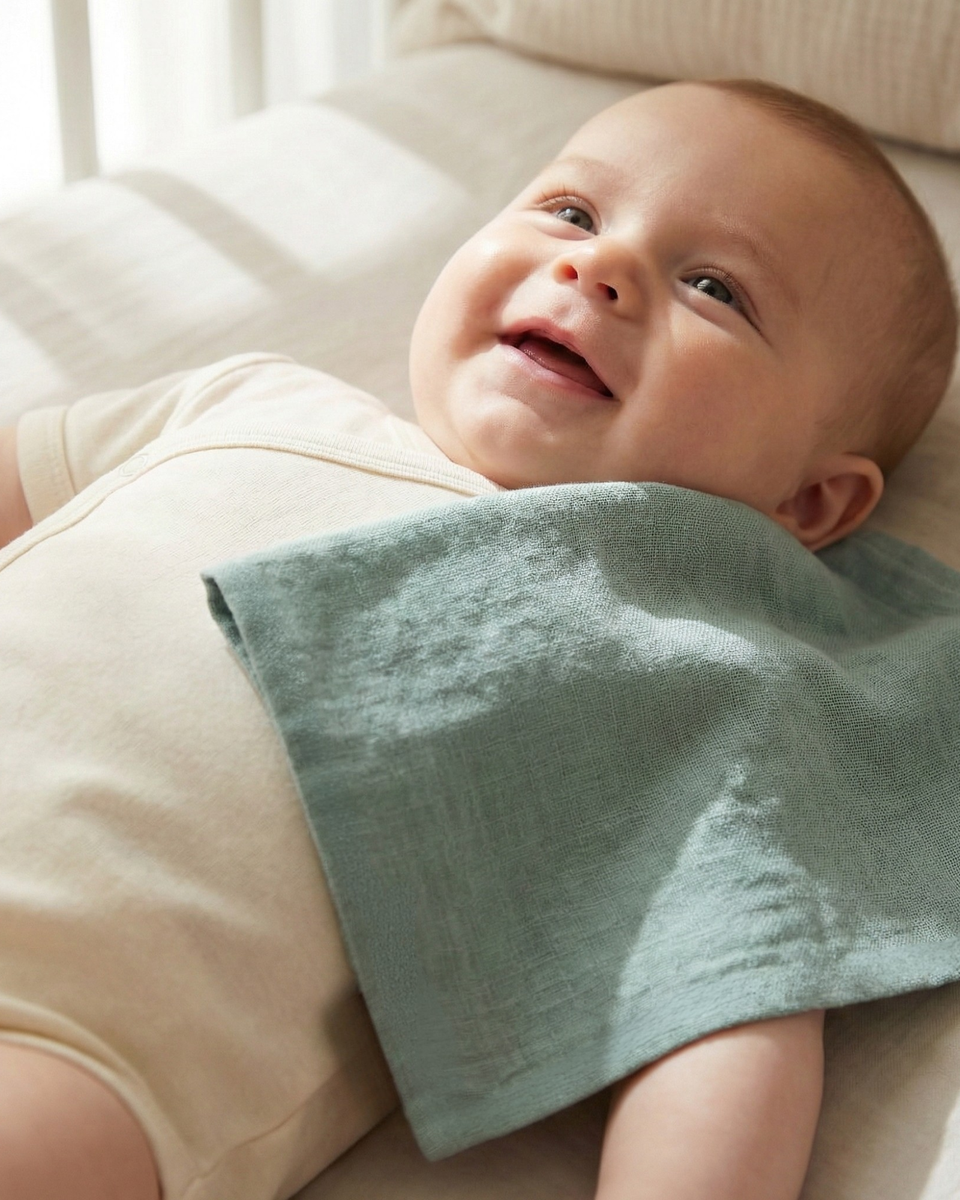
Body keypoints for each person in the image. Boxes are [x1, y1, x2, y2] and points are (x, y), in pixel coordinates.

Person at [0, 77, 955, 1200]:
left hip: (71, 1025)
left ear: (807, 503)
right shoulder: (255, 400)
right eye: (572, 212)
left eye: (715, 288)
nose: (600, 266)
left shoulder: (669, 659)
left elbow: (730, 980)